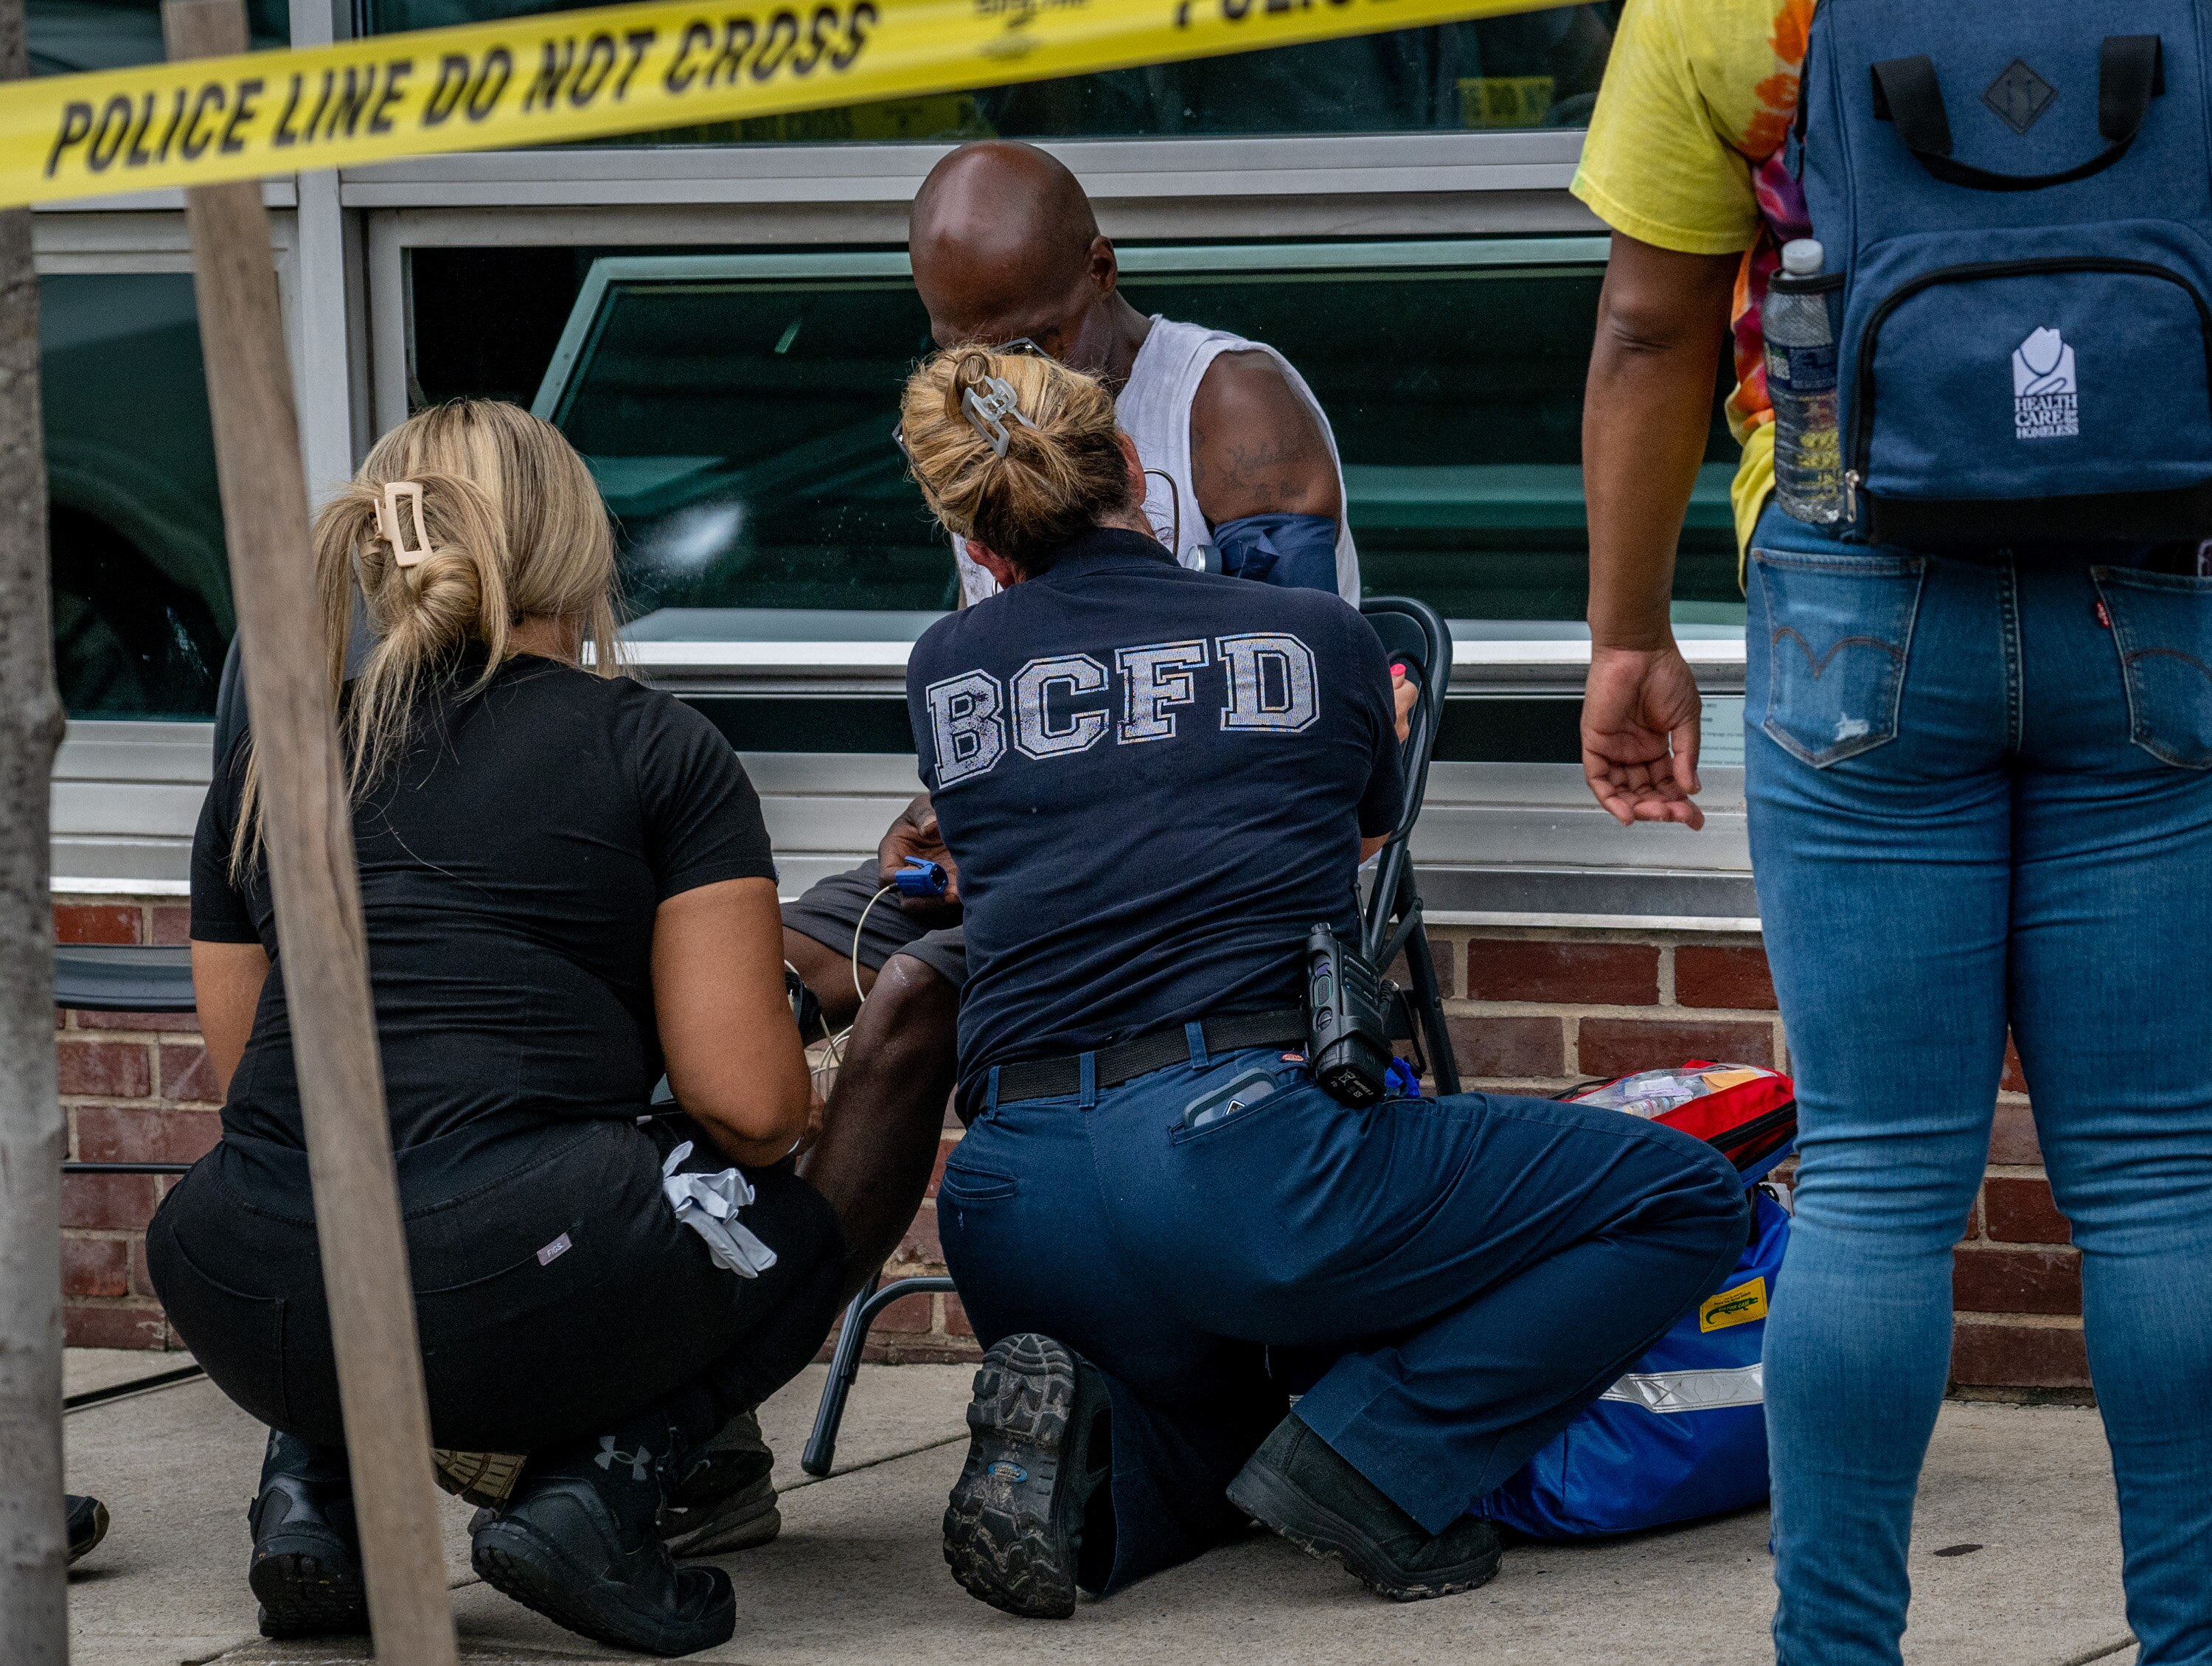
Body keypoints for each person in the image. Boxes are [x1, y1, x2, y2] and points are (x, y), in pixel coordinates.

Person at [893, 344, 1749, 1614]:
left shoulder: (945, 671)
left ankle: (1090, 1486)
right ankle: (1379, 1462)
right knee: (1678, 1197)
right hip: (1238, 1166)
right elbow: (1356, 833)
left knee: (1226, 1431)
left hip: (1016, 1206)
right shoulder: (1314, 634)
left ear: (980, 533)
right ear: (1134, 467)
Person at [1573, 7, 2212, 1664]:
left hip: (1856, 586)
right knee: (2158, 1184)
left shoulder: (1729, 8)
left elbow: (1650, 331)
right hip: (2159, 576)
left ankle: (1839, 1649)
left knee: (1873, 1182)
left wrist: (1626, 633)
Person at [150, 401, 848, 1657]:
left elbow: (248, 1066)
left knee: (352, 1183)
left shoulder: (270, 762)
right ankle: (601, 1492)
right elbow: (749, 1106)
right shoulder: (657, 747)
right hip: (502, 1277)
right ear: (572, 545)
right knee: (786, 1215)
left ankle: (312, 1494)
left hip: (238, 1285)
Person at [787, 138, 1379, 1302]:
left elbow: (1269, 738)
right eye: (961, 348)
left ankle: (769, 1333)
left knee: (909, 999)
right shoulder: (984, 422)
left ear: (1101, 270)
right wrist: (948, 807)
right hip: (1031, 845)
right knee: (752, 968)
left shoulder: (1227, 406)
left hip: (1186, 889)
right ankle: (657, 1342)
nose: (997, 377)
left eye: (1027, 341)